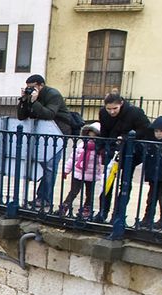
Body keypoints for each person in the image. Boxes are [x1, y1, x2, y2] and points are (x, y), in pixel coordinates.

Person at [92, 92, 153, 222]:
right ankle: (103, 212)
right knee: (107, 182)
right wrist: (101, 146)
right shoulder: (103, 113)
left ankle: (118, 215)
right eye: (109, 109)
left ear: (121, 104)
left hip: (131, 152)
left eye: (115, 108)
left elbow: (146, 129)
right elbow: (104, 131)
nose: (112, 112)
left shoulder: (135, 112)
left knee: (125, 183)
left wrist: (127, 137)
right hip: (112, 150)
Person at [17, 73, 71, 207]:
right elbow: (21, 116)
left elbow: (49, 114)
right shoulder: (31, 97)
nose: (31, 90)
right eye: (28, 88)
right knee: (43, 165)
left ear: (41, 85)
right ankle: (41, 197)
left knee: (50, 166)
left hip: (57, 134)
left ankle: (45, 199)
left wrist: (34, 102)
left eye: (33, 87)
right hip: (42, 134)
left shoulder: (53, 95)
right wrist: (24, 100)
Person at [61, 122, 101, 217]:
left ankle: (87, 208)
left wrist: (101, 174)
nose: (91, 139)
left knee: (89, 193)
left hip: (91, 174)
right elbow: (73, 158)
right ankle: (65, 206)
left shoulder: (99, 149)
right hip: (78, 172)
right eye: (89, 136)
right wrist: (66, 170)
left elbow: (101, 163)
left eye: (93, 137)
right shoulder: (81, 145)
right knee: (73, 191)